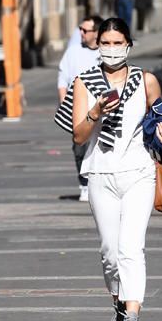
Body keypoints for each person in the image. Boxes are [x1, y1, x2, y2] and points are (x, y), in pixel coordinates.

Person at [72, 18, 162, 321]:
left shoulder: (146, 81)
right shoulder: (85, 82)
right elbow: (78, 136)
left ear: (129, 45)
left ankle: (132, 317)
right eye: (106, 42)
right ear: (97, 45)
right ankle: (118, 305)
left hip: (139, 172)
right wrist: (96, 111)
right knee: (110, 253)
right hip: (100, 173)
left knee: (132, 248)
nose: (112, 49)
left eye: (118, 43)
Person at [57, 15, 104, 201]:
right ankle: (84, 184)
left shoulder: (105, 52)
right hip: (79, 108)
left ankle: (98, 183)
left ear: (97, 33)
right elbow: (63, 79)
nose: (81, 33)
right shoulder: (73, 52)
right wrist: (63, 103)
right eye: (80, 29)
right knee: (79, 147)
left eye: (85, 30)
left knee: (101, 147)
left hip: (102, 109)